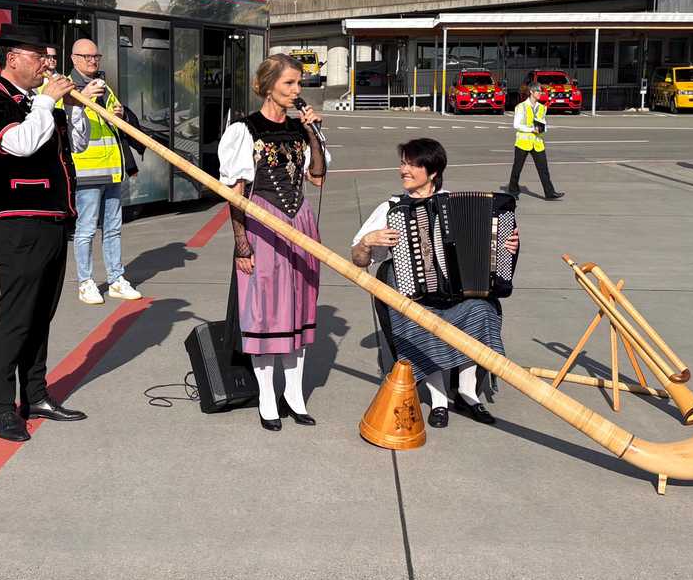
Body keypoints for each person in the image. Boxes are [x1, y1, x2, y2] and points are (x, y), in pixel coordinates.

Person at [0, 25, 106, 442]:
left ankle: (36, 394)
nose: (46, 65)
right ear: (13, 57)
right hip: (16, 218)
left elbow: (73, 147)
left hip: (51, 218)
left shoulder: (40, 101)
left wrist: (78, 109)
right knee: (16, 315)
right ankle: (1, 408)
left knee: (42, 312)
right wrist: (47, 103)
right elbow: (19, 146)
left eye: (47, 58)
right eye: (38, 57)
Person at [352, 138, 516, 427]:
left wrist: (506, 244)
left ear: (432, 172)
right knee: (418, 320)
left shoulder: (455, 201)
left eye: (413, 163)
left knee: (483, 309)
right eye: (403, 162)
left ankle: (467, 394)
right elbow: (359, 259)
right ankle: (438, 400)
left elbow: (489, 245)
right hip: (413, 295)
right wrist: (368, 241)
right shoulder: (390, 208)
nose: (404, 169)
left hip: (456, 294)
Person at [217, 53, 326, 431]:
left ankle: (294, 394)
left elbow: (317, 176)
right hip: (264, 225)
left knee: (298, 308)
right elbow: (236, 193)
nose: (297, 91)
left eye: (299, 84)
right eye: (289, 84)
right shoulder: (244, 130)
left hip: (300, 223)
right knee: (264, 310)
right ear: (267, 86)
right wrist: (241, 243)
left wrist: (312, 131)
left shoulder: (300, 128)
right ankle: (267, 397)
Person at [66, 38, 142, 306]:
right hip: (87, 169)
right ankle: (85, 282)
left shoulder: (103, 85)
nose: (92, 61)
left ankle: (116, 279)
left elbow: (112, 119)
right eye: (86, 57)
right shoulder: (67, 87)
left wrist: (119, 115)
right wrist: (82, 99)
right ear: (74, 58)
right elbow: (63, 124)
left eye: (96, 56)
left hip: (112, 167)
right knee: (85, 229)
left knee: (113, 227)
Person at [507, 82, 563, 201]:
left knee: (543, 168)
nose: (540, 94)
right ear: (531, 92)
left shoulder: (542, 108)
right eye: (538, 91)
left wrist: (542, 130)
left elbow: (544, 124)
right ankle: (512, 191)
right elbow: (516, 125)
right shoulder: (521, 107)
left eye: (541, 92)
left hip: (537, 142)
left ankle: (550, 192)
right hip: (523, 142)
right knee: (517, 168)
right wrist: (531, 129)